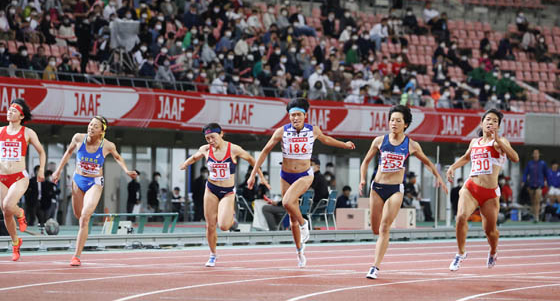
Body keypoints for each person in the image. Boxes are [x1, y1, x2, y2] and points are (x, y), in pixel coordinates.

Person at [248, 98, 355, 267]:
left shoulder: (313, 130)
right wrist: (253, 175)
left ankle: (305, 224)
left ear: (305, 115)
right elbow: (265, 151)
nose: (295, 118)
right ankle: (300, 253)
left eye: (298, 115)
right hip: (286, 176)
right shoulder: (281, 132)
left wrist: (344, 145)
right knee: (291, 218)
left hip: (305, 175)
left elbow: (327, 140)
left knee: (286, 202)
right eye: (292, 116)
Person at [360, 105, 447, 279]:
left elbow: (428, 163)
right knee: (375, 229)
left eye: (398, 121)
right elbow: (365, 162)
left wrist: (439, 177)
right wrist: (363, 179)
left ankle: (374, 267)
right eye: (392, 120)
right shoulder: (379, 141)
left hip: (395, 189)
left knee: (385, 227)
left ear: (405, 124)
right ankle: (379, 246)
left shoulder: (411, 145)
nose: (394, 123)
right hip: (377, 188)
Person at [52, 116, 138, 266]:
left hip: (95, 182)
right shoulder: (78, 138)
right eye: (90, 124)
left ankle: (76, 256)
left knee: (85, 217)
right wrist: (58, 171)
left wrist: (126, 170)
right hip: (78, 180)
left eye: (95, 126)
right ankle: (83, 233)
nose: (91, 127)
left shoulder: (107, 145)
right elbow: (67, 153)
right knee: (78, 216)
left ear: (102, 131)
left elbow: (118, 157)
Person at [179, 123, 267, 267]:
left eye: (213, 137)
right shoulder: (206, 149)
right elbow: (195, 157)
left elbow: (252, 160)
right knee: (210, 226)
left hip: (227, 192)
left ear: (221, 134)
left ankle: (232, 221)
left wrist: (260, 177)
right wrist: (185, 164)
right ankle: (213, 254)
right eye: (207, 138)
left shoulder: (233, 149)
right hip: (211, 189)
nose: (211, 141)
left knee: (224, 226)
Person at [0, 98, 46, 261]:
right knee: (5, 212)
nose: (9, 112)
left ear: (21, 115)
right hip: (2, 177)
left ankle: (20, 213)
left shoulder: (27, 133)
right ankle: (15, 242)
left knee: (8, 205)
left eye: (13, 110)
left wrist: (41, 170)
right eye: (8, 109)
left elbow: (42, 151)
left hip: (19, 177)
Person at [446, 108, 519, 271]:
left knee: (490, 231)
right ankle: (460, 253)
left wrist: (499, 141)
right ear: (482, 123)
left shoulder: (501, 142)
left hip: (490, 194)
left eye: (494, 121)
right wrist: (453, 167)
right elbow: (466, 157)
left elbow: (515, 158)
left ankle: (493, 251)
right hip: (471, 187)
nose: (490, 123)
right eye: (488, 120)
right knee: (460, 217)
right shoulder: (475, 142)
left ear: (498, 126)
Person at [522, 149, 548, 222]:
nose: (536, 155)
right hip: (531, 184)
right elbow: (525, 173)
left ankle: (537, 216)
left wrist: (547, 182)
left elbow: (546, 174)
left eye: (537, 153)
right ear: (533, 155)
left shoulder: (543, 163)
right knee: (533, 201)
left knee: (537, 200)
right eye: (534, 153)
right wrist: (523, 181)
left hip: (539, 184)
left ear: (539, 154)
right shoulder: (530, 163)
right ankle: (534, 215)